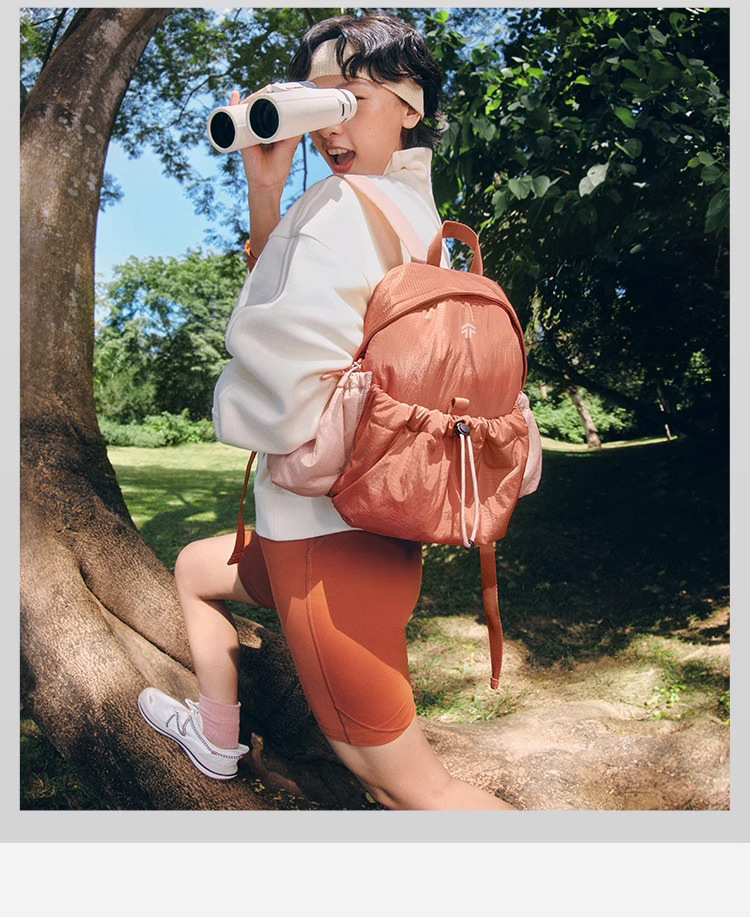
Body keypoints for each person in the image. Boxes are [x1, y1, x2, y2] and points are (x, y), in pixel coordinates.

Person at [138, 11, 516, 811]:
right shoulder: (417, 213)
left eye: (348, 96)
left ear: (409, 102)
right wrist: (266, 190)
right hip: (378, 529)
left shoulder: (342, 205)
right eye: (315, 100)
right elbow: (309, 302)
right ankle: (216, 732)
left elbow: (279, 363)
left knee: (412, 787)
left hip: (321, 547)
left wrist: (245, 408)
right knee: (197, 570)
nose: (327, 122)